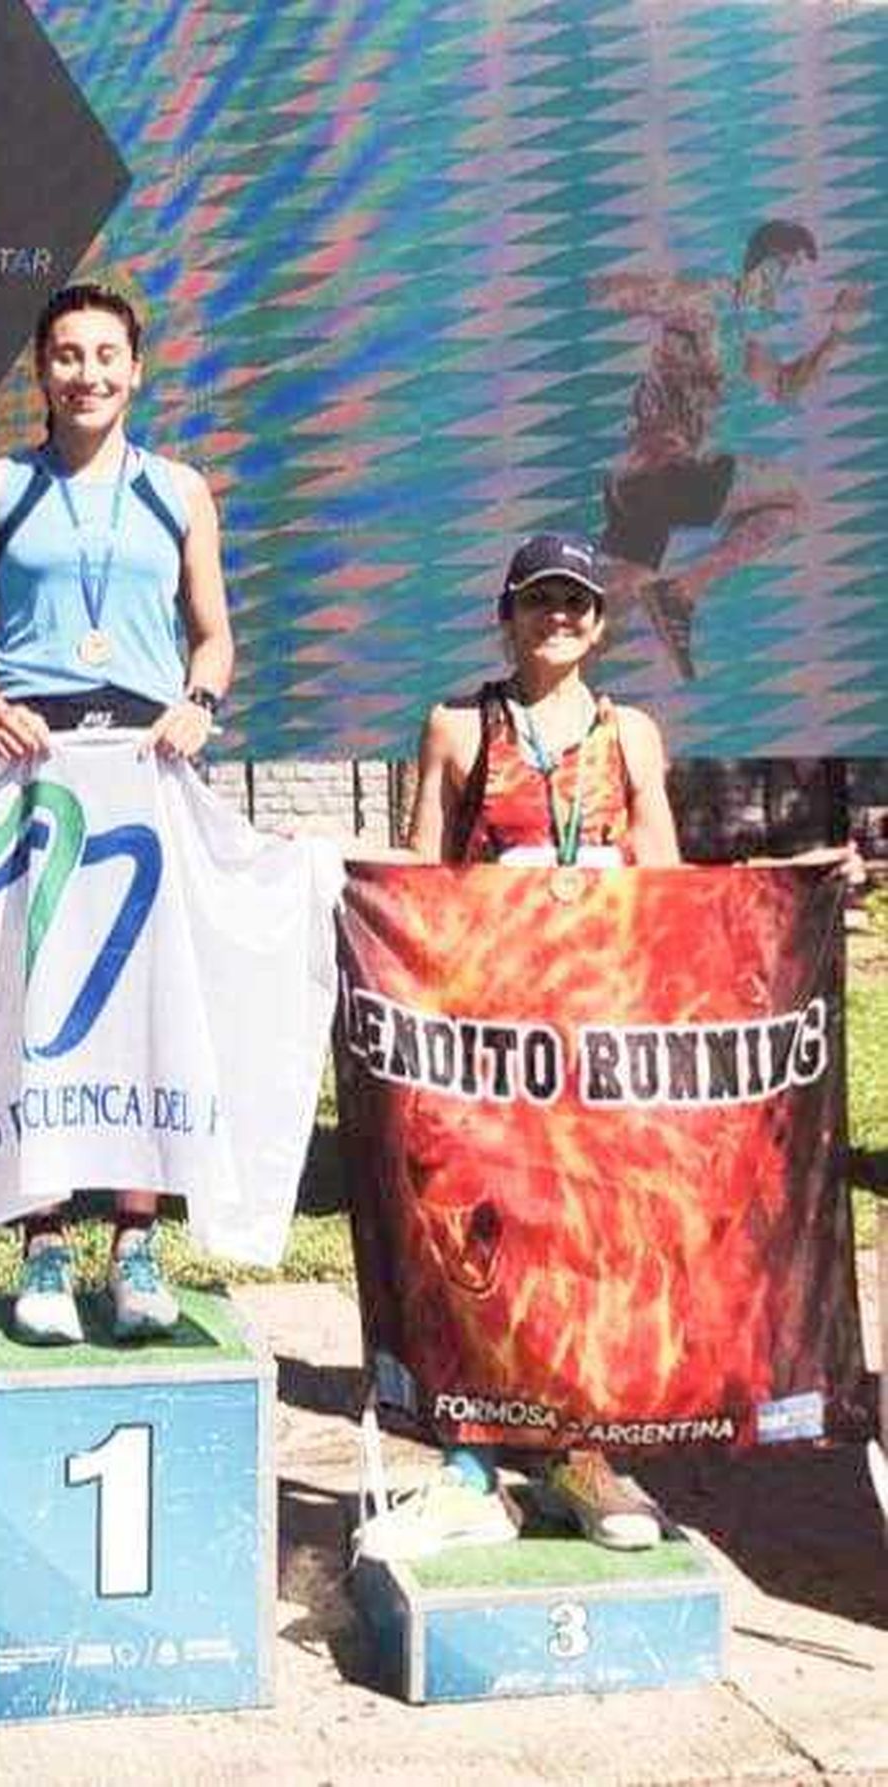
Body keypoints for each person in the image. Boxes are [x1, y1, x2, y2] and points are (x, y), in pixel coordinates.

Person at [0, 282, 233, 1344]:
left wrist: (198, 703)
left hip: (147, 759)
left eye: (107, 355)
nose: (87, 373)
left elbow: (214, 636)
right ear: (41, 371)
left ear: (137, 369)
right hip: (37, 756)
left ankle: (138, 1240)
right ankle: (44, 1238)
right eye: (67, 355)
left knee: (140, 996)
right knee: (37, 995)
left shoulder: (179, 491)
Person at [401, 530, 680, 1550]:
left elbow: (672, 891)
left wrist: (788, 883)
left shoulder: (631, 734)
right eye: (540, 601)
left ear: (600, 623)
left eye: (578, 603)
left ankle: (578, 1455)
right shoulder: (457, 727)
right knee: (482, 1237)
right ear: (508, 613)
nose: (558, 618)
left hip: (596, 1034)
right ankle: (470, 1461)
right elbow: (418, 882)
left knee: (586, 1240)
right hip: (489, 1032)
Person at [594, 220, 867, 679]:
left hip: (656, 490)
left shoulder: (743, 339)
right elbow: (613, 291)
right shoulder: (704, 300)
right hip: (654, 472)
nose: (787, 291)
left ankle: (556, 703)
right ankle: (680, 592)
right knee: (792, 499)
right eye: (786, 273)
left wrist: (836, 336)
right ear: (763, 266)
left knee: (606, 620)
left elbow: (784, 385)